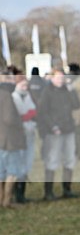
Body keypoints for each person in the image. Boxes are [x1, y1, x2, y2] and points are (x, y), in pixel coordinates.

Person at [37, 68, 80, 200]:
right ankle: (48, 192)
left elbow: (76, 105)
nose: (60, 80)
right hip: (54, 131)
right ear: (52, 78)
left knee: (69, 160)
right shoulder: (47, 92)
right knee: (52, 160)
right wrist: (53, 126)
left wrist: (72, 90)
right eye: (58, 77)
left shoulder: (67, 91)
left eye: (62, 77)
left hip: (68, 129)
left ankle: (67, 189)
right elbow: (43, 112)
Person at [0, 64, 26, 208]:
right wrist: (20, 122)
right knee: (12, 170)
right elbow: (9, 119)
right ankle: (7, 201)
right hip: (9, 139)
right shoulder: (6, 96)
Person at [11, 74, 37, 203]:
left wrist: (29, 114)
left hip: (29, 131)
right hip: (19, 133)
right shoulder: (14, 97)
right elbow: (20, 115)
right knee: (19, 162)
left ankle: (22, 192)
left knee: (27, 161)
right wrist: (28, 115)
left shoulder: (27, 96)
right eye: (23, 85)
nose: (25, 87)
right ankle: (17, 194)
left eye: (26, 85)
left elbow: (33, 111)